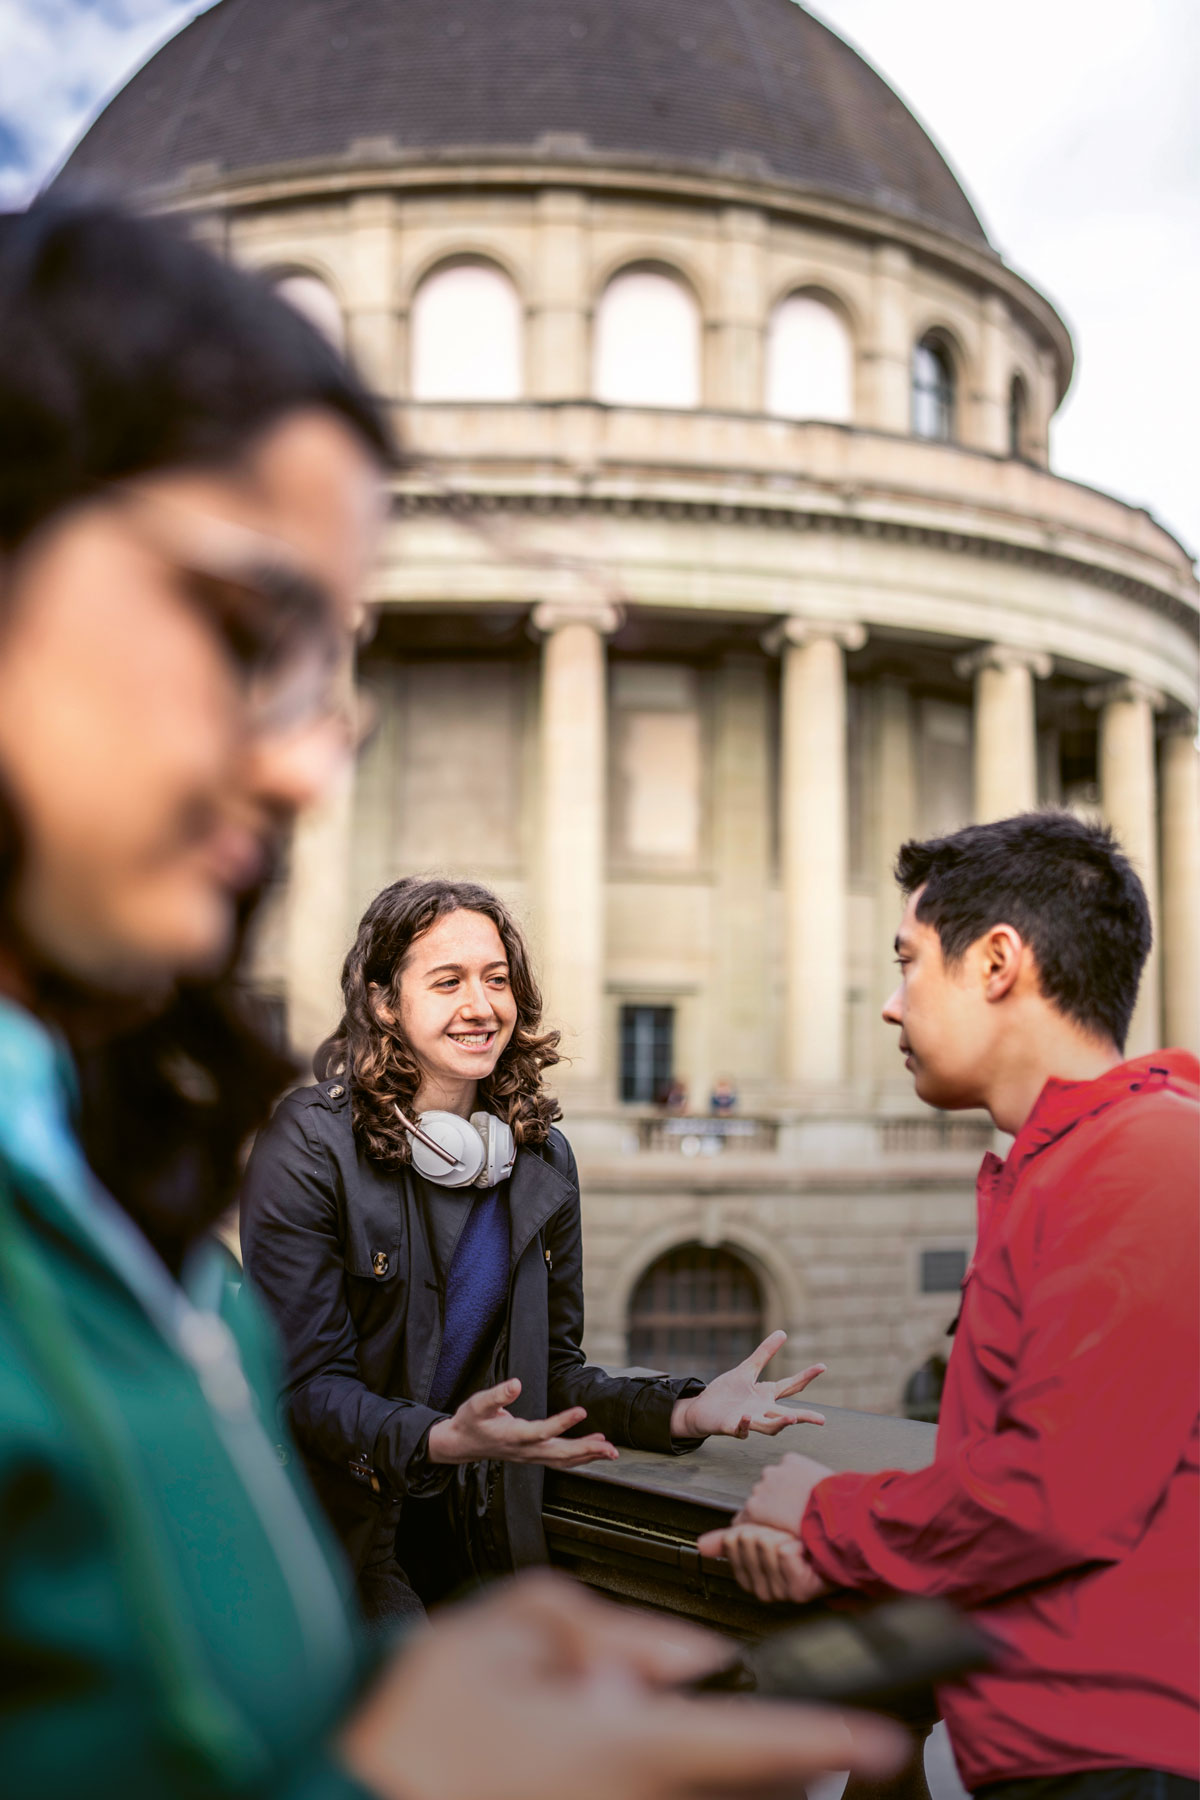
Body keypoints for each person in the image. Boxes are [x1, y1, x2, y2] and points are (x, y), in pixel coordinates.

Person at [0, 197, 909, 1800]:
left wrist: (677, 1416)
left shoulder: (104, 1198)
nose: (304, 760)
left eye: (324, 667)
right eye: (237, 625)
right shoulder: (272, 1160)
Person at [700, 813, 1200, 1800]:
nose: (891, 1007)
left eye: (909, 961)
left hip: (1120, 1760)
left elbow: (1057, 1495)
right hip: (1060, 1744)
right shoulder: (1071, 1161)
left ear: (998, 962)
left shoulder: (1148, 1155)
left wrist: (825, 1515)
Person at [240, 875, 827, 1620]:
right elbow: (304, 1388)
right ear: (386, 1002)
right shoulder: (308, 1144)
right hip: (337, 1541)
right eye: (448, 981)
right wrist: (440, 1437)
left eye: (497, 980)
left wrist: (685, 1411)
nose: (481, 1007)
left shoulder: (543, 1159)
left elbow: (549, 1375)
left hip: (476, 1539)